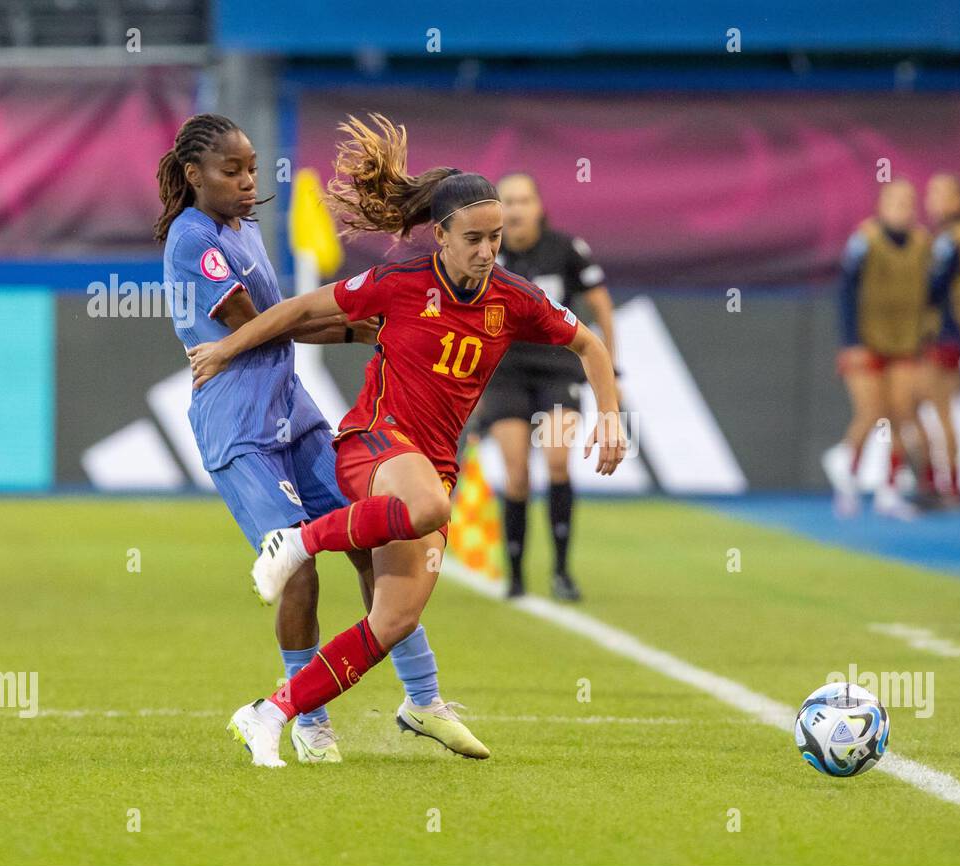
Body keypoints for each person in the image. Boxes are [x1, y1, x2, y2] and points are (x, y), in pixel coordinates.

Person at [185, 113, 625, 767]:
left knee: (392, 622)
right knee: (432, 508)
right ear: (441, 236)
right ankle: (296, 542)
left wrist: (610, 414)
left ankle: (272, 713)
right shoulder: (401, 282)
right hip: (374, 442)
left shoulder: (515, 299)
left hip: (433, 464)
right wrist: (226, 347)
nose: (486, 251)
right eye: (473, 238)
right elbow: (303, 310)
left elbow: (587, 341)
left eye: (496, 238)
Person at [156, 114, 474, 764]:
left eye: (251, 168)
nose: (249, 182)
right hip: (239, 426)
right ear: (193, 175)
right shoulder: (193, 240)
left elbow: (289, 317)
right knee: (297, 572)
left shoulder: (242, 229)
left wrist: (368, 326)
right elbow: (266, 324)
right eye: (232, 171)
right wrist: (369, 330)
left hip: (291, 411)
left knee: (377, 541)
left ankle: (423, 701)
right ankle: (308, 719)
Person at [478, 172, 618, 601]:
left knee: (557, 459)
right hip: (506, 373)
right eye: (508, 201)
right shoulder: (485, 254)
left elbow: (601, 308)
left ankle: (561, 570)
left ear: (539, 207)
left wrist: (614, 372)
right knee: (516, 471)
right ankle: (516, 575)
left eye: (524, 200)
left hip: (558, 368)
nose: (516, 209)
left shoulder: (566, 250)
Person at [822, 179, 933, 519]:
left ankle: (889, 489)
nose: (904, 209)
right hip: (867, 340)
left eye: (909, 202)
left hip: (905, 341)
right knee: (871, 412)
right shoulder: (864, 240)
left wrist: (927, 331)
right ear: (881, 206)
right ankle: (848, 476)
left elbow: (933, 290)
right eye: (896, 202)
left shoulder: (923, 243)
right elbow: (846, 291)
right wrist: (851, 342)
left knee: (901, 413)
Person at [924, 172, 960, 507]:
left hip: (943, 332)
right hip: (954, 332)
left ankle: (945, 483)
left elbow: (933, 286)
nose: (931, 201)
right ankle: (943, 481)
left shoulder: (953, 237)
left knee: (935, 409)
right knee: (936, 408)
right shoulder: (959, 235)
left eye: (940, 194)